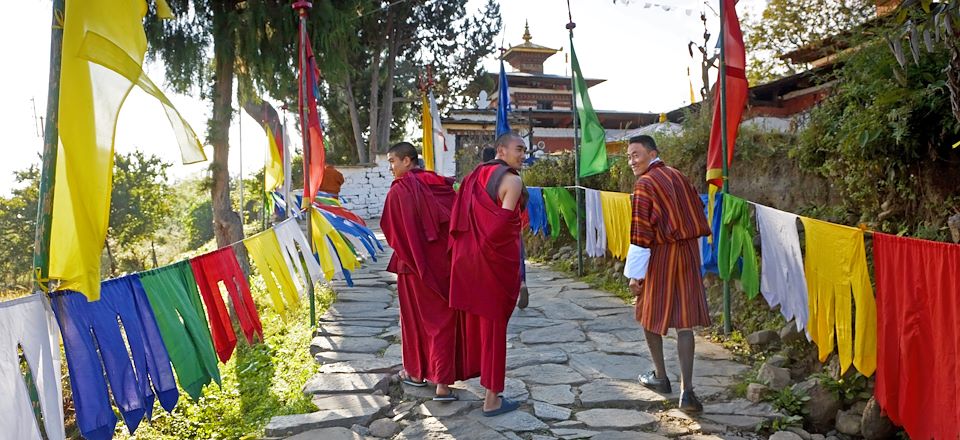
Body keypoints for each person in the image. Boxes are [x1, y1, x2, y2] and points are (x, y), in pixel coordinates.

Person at [627, 135, 711, 413]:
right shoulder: (678, 175)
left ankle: (661, 378)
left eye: (636, 154)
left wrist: (635, 276)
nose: (632, 161)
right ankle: (688, 392)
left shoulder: (645, 184)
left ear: (653, 153)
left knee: (649, 312)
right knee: (684, 322)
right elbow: (697, 212)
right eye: (629, 157)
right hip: (688, 252)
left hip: (661, 254)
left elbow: (640, 233)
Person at [449, 132, 527, 416]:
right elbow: (503, 229)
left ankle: (458, 379)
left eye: (524, 150)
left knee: (473, 325)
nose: (522, 155)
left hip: (465, 260)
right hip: (491, 264)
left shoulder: (472, 177)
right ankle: (492, 399)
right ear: (501, 150)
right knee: (494, 331)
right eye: (518, 149)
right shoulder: (513, 180)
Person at [380, 142, 462, 401]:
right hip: (443, 267)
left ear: (408, 161)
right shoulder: (441, 185)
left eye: (393, 161)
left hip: (410, 268)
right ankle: (442, 385)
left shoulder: (399, 191)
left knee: (414, 322)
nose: (391, 167)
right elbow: (457, 220)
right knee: (442, 323)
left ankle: (416, 374)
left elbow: (392, 231)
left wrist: (413, 253)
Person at [481, 145, 530, 310]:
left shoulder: (478, 178)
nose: (523, 155)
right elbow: (523, 199)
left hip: (486, 231)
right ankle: (521, 282)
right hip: (512, 227)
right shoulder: (511, 177)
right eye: (519, 150)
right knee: (518, 256)